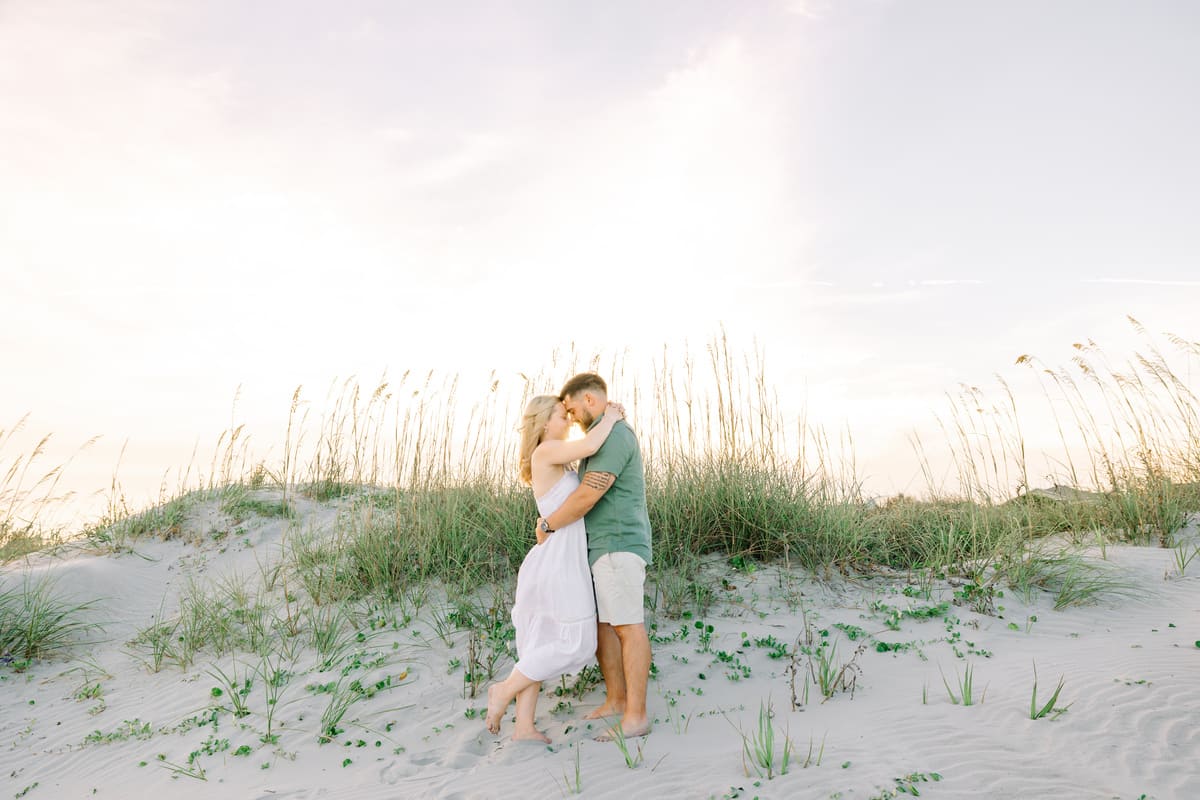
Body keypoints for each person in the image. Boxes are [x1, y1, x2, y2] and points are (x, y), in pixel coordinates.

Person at [485, 394, 625, 742]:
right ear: (545, 422)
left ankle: (523, 727)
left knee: (539, 642)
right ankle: (502, 692)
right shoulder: (546, 451)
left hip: (561, 558)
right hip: (557, 563)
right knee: (577, 643)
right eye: (563, 417)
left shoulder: (559, 460)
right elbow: (592, 441)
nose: (569, 423)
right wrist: (610, 415)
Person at [535, 372, 653, 741]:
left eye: (570, 409)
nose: (570, 418)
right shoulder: (599, 435)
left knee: (628, 627)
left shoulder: (615, 435)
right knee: (607, 627)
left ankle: (635, 716)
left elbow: (589, 495)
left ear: (588, 400)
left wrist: (549, 525)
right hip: (601, 547)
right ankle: (617, 700)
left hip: (619, 544)